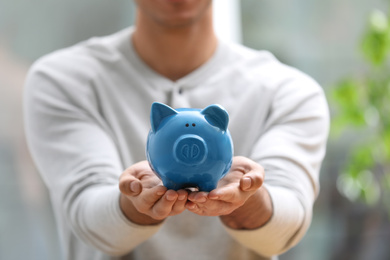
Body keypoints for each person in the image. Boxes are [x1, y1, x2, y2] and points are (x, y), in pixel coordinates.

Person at [24, 1, 329, 260]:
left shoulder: (290, 93)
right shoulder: (62, 82)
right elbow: (87, 214)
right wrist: (133, 203)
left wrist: (250, 199)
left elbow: (286, 224)